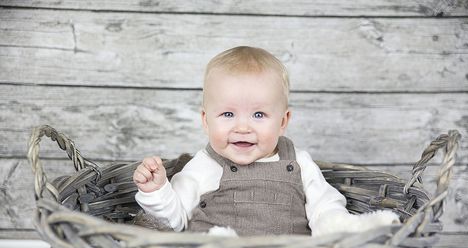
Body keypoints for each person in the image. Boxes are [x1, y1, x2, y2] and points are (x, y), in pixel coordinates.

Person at [133, 46, 399, 236]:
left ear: (283, 121)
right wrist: (156, 191)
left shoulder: (297, 161)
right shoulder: (203, 166)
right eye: (227, 114)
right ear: (206, 120)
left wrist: (335, 226)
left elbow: (324, 204)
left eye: (259, 114)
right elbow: (174, 220)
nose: (243, 127)